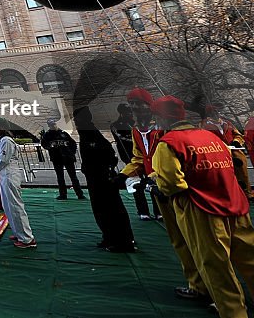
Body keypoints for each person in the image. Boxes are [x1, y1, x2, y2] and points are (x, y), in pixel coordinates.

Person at [152, 95, 254, 318]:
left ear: (161, 117)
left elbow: (172, 184)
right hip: (236, 205)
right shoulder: (211, 137)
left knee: (218, 270)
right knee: (250, 261)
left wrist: (157, 183)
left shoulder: (168, 144)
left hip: (203, 212)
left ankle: (234, 313)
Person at [75, 106, 136, 253]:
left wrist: (103, 169)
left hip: (102, 178)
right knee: (101, 209)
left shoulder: (91, 133)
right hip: (95, 177)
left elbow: (108, 153)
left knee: (111, 209)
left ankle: (122, 240)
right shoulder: (86, 133)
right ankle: (110, 236)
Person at [0, 119, 35, 248]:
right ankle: (18, 232)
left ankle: (27, 238)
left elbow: (3, 160)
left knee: (15, 207)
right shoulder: (3, 140)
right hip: (5, 174)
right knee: (8, 206)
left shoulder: (6, 141)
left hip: (9, 173)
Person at [121, 88, 162, 220]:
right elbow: (139, 156)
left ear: (148, 104)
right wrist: (124, 174)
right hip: (151, 173)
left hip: (167, 176)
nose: (134, 107)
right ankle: (146, 212)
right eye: (131, 103)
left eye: (138, 103)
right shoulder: (135, 129)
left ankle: (158, 212)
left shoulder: (161, 125)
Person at [40, 118, 86, 200]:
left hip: (67, 157)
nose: (53, 126)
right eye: (51, 125)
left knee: (73, 176)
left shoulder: (63, 133)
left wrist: (71, 153)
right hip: (57, 158)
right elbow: (44, 144)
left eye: (54, 124)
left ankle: (79, 194)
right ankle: (63, 194)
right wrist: (50, 147)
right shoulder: (47, 135)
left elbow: (73, 143)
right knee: (60, 177)